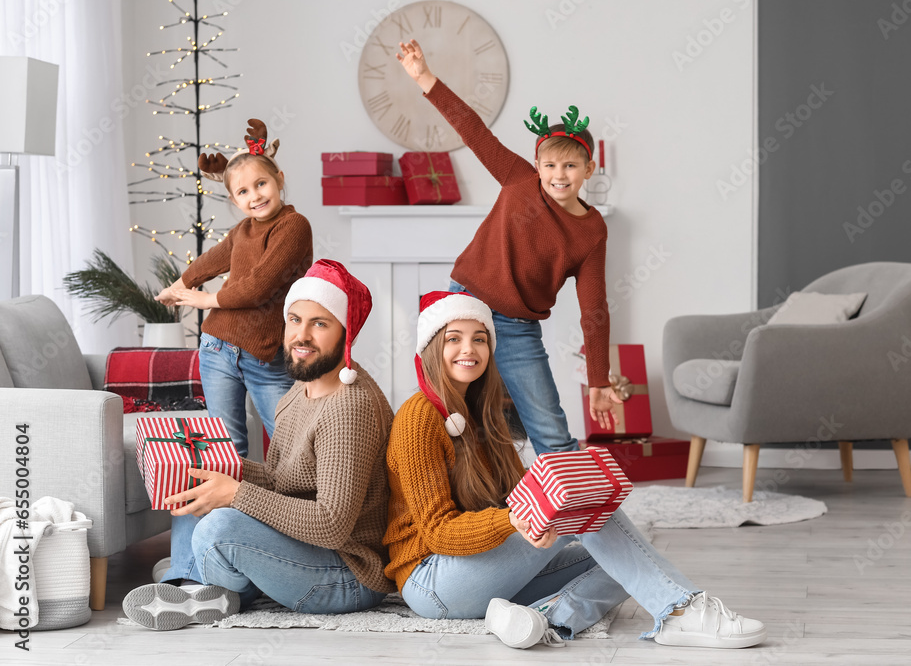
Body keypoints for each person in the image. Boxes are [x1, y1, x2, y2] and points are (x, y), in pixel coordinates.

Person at [384, 291, 766, 650]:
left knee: (623, 558)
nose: (469, 349)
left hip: (481, 569)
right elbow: (437, 533)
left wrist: (557, 501)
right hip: (431, 579)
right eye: (454, 338)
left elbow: (521, 491)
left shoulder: (485, 414)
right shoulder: (419, 416)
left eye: (480, 339)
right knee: (591, 522)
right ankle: (681, 610)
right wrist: (516, 521)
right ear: (433, 348)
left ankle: (544, 620)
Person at [125, 260, 396, 630]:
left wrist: (236, 493)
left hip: (346, 574)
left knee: (219, 528)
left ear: (345, 332)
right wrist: (219, 468)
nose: (302, 336)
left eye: (320, 324)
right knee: (195, 485)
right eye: (296, 320)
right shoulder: (300, 390)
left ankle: (201, 580)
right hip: (304, 549)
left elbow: (331, 525)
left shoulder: (349, 408)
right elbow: (281, 481)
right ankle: (200, 585)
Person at [395, 40, 623, 457]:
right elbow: (474, 130)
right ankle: (454, 510)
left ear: (589, 169)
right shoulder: (518, 178)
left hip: (518, 326)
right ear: (537, 165)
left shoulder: (592, 232)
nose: (559, 175)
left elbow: (595, 308)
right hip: (466, 305)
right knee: (450, 417)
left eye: (571, 166)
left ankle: (576, 519)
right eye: (550, 164)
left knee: (551, 433)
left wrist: (599, 381)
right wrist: (424, 78)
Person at [152, 119, 312, 584]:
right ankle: (189, 577)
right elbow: (212, 261)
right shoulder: (242, 230)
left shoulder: (293, 226)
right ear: (235, 200)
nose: (255, 196)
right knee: (217, 458)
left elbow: (258, 286)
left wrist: (201, 300)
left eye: (261, 184)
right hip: (217, 349)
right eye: (243, 192)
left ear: (278, 180)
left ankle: (276, 561)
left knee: (292, 456)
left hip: (265, 358)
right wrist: (179, 285)